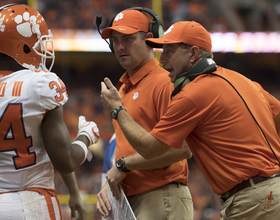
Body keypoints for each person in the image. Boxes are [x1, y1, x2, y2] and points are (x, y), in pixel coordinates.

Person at [100, 20, 280, 220]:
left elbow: (149, 148)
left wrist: (117, 109)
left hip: (254, 199)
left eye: (170, 51)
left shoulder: (192, 94)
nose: (163, 60)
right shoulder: (244, 80)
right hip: (267, 193)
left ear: (193, 54)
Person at [0, 4, 99, 220]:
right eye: (37, 42)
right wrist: (86, 136)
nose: (41, 48)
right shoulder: (39, 85)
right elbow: (65, 159)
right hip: (31, 202)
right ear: (23, 46)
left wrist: (72, 191)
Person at [96, 8, 193, 220]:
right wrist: (111, 183)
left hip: (161, 194)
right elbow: (127, 150)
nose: (120, 46)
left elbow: (184, 148)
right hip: (131, 200)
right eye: (115, 40)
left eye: (128, 39)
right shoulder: (122, 89)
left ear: (149, 39)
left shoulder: (164, 82)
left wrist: (124, 165)